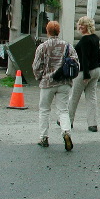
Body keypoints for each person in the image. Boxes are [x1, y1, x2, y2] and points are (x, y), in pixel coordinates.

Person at [32, 21, 79, 151]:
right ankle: (66, 132)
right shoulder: (67, 46)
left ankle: (44, 138)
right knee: (63, 110)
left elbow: (36, 66)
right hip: (64, 83)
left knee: (44, 110)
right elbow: (76, 63)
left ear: (47, 31)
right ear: (59, 31)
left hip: (47, 83)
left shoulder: (42, 47)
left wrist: (40, 77)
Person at [68, 16, 100, 132]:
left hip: (84, 72)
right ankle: (93, 124)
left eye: (83, 24)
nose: (80, 26)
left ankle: (67, 121)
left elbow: (84, 58)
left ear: (88, 26)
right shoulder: (95, 38)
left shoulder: (84, 40)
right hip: (96, 70)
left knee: (74, 97)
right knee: (91, 97)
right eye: (79, 24)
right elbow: (99, 53)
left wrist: (86, 75)